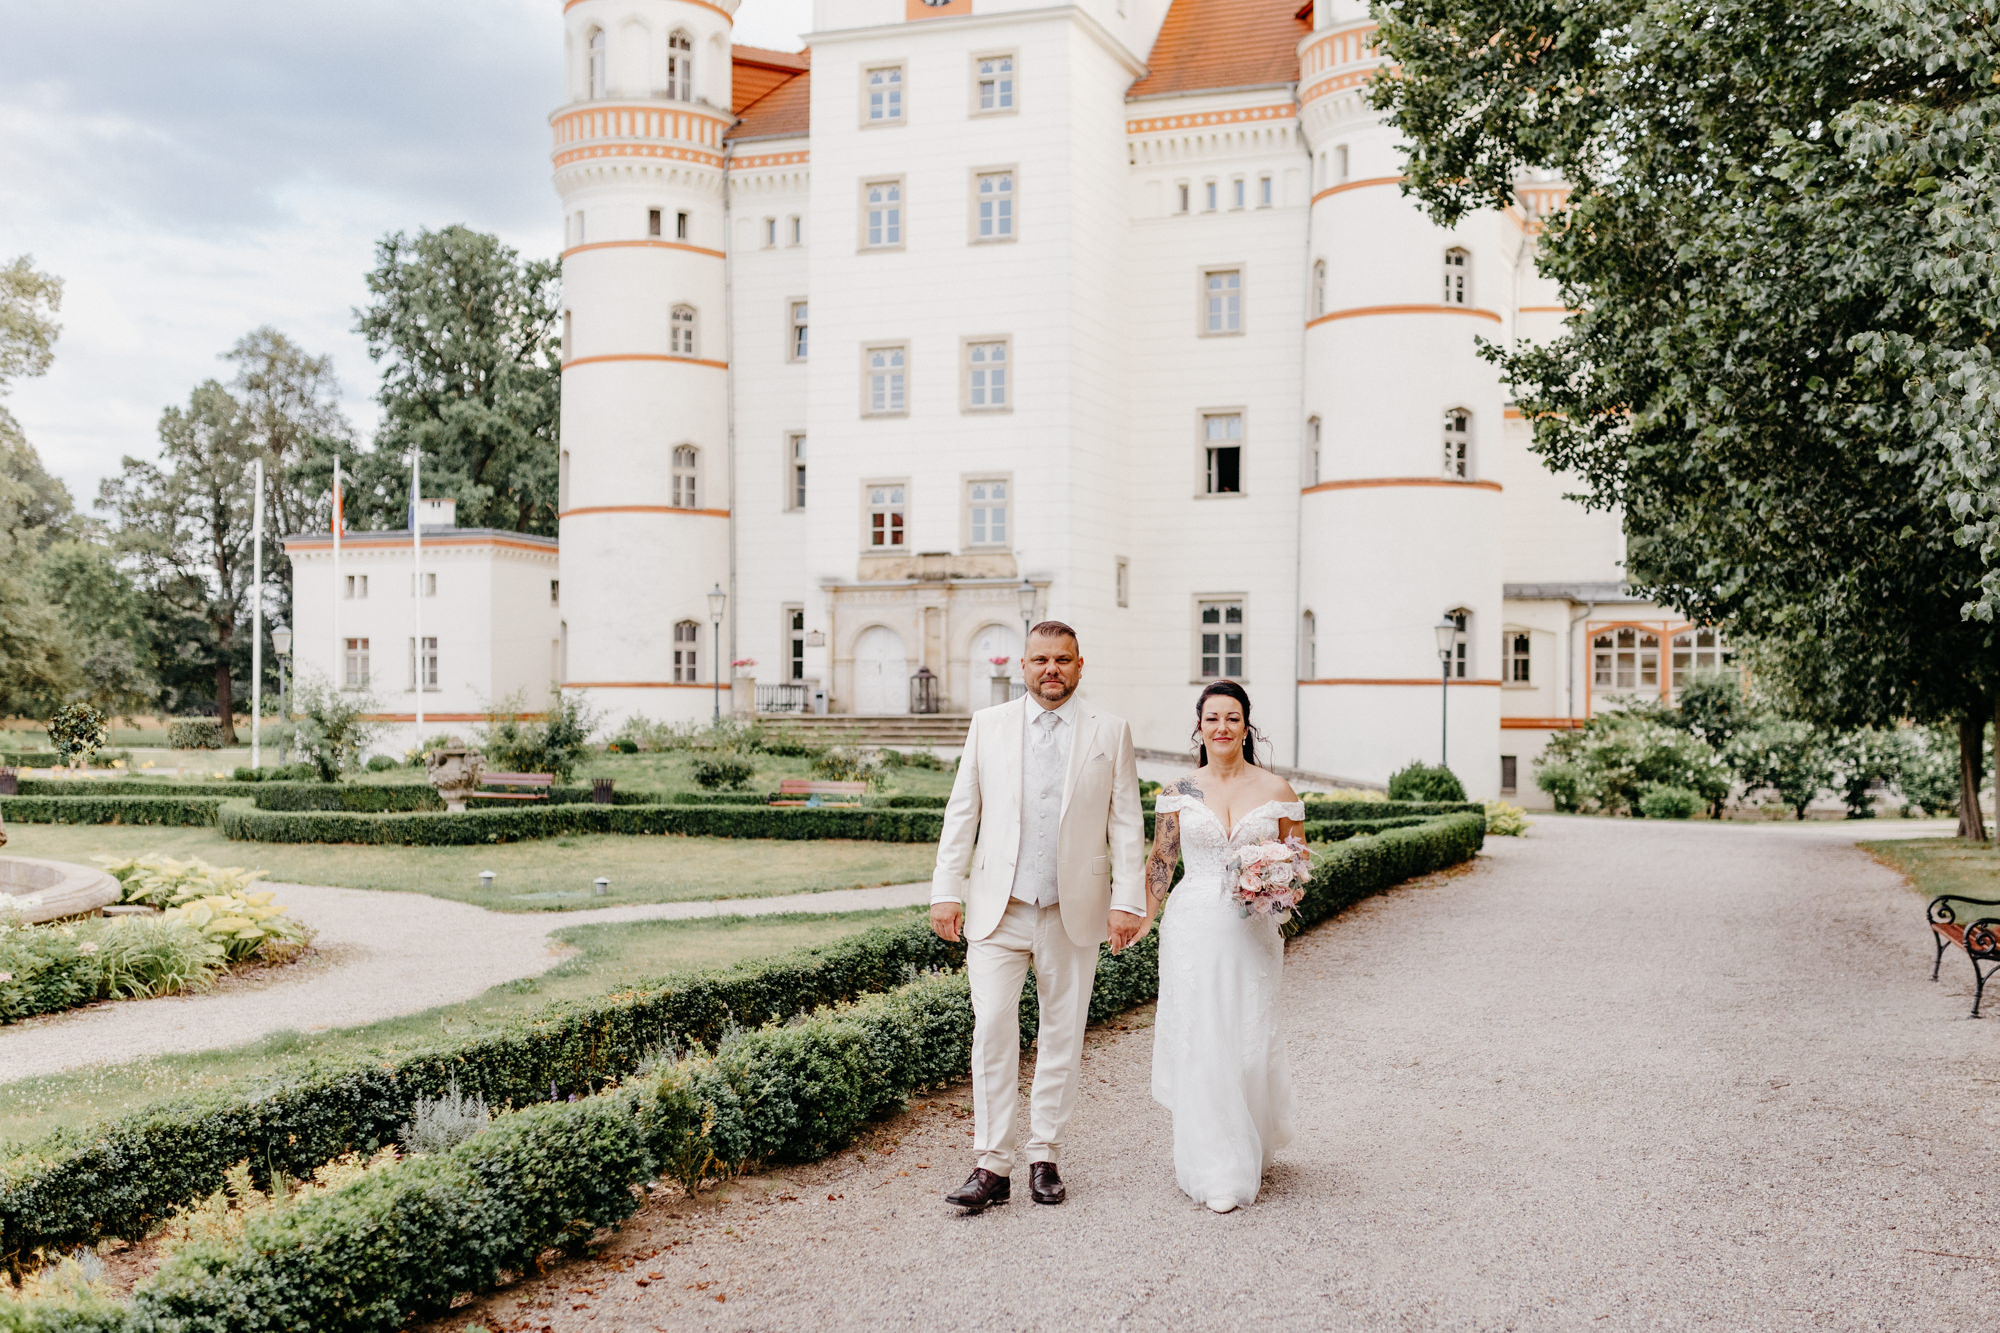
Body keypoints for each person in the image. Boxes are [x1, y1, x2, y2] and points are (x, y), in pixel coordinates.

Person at [930, 620, 1147, 1210]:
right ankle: (991, 1164)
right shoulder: (988, 726)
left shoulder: (1111, 731)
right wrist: (946, 891)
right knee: (992, 1029)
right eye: (1040, 659)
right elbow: (961, 816)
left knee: (1062, 1036)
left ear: (1080, 665)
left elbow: (1126, 823)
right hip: (998, 911)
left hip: (1071, 911)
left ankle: (1044, 1153)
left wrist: (1128, 902)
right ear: (1022, 666)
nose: (1051, 669)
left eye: (1062, 660)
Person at [1147, 679, 1304, 1213]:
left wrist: (1280, 890)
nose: (1222, 727)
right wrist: (1141, 920)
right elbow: (1162, 863)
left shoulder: (1277, 789)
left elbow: (1298, 860)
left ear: (1246, 726)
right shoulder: (1180, 791)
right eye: (1212, 718)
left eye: (1232, 718)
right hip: (1192, 926)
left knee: (1248, 1034)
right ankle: (1215, 1165)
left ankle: (1250, 1137)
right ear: (1199, 726)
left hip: (1254, 931)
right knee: (1203, 1038)